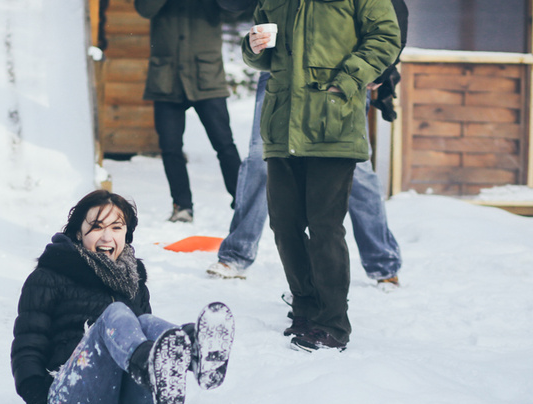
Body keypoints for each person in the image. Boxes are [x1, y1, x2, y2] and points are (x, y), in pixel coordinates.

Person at [11, 190, 235, 404]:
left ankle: (192, 349)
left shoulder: (133, 281)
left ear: (125, 235)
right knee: (116, 314)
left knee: (145, 323)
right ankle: (160, 355)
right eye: (96, 227)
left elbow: (146, 337)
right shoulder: (48, 277)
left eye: (116, 227)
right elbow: (27, 352)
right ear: (78, 233)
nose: (107, 237)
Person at [242, 1, 401, 352]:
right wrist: (252, 48)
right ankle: (305, 308)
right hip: (283, 125)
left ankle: (332, 323)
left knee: (325, 226)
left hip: (334, 125)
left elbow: (387, 36)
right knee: (284, 224)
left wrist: (346, 81)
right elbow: (261, 55)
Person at [206, 71, 402, 285]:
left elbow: (390, 37)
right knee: (260, 160)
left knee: (357, 169)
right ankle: (236, 254)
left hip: (341, 71)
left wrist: (383, 67)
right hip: (280, 72)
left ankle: (383, 263)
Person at [135, 0, 242, 223]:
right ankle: (182, 206)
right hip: (167, 78)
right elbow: (144, 9)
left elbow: (236, 7)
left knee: (224, 144)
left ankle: (242, 202)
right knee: (170, 148)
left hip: (207, 76)